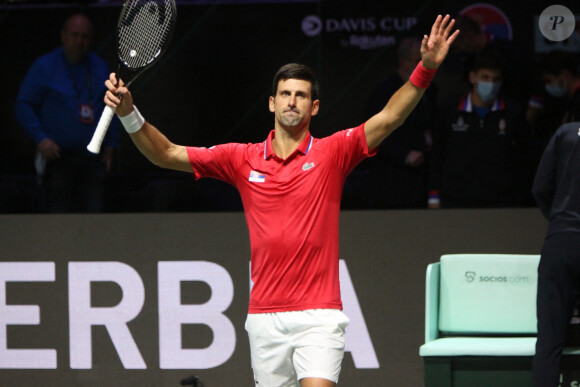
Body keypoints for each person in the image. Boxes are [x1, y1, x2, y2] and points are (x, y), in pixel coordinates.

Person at [103, 15, 458, 387]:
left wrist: (425, 69)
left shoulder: (333, 152)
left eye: (301, 95)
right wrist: (129, 113)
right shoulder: (242, 158)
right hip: (265, 317)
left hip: (319, 315)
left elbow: (390, 118)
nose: (293, 101)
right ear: (272, 103)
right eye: (286, 94)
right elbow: (166, 154)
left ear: (314, 107)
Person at [15, 12, 117, 213]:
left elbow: (112, 105)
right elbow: (24, 105)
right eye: (74, 35)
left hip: (93, 159)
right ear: (63, 35)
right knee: (58, 219)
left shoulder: (99, 66)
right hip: (58, 156)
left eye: (85, 36)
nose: (79, 41)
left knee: (94, 218)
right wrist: (40, 138)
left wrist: (112, 144)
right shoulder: (44, 66)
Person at [429, 50, 532, 208]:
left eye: (495, 79)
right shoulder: (450, 109)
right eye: (485, 77)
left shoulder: (512, 112)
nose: (490, 84)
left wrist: (519, 197)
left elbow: (524, 157)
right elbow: (437, 153)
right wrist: (434, 195)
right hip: (456, 199)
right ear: (473, 77)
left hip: (500, 200)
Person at [532, 121, 580, 386]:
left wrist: (560, 222)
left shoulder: (565, 132)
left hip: (562, 240)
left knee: (549, 343)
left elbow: (540, 188)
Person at [364, 36, 438, 208]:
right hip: (390, 180)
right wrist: (403, 155)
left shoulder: (431, 89)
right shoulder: (383, 92)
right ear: (403, 62)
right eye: (418, 61)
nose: (424, 65)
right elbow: (370, 136)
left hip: (423, 179)